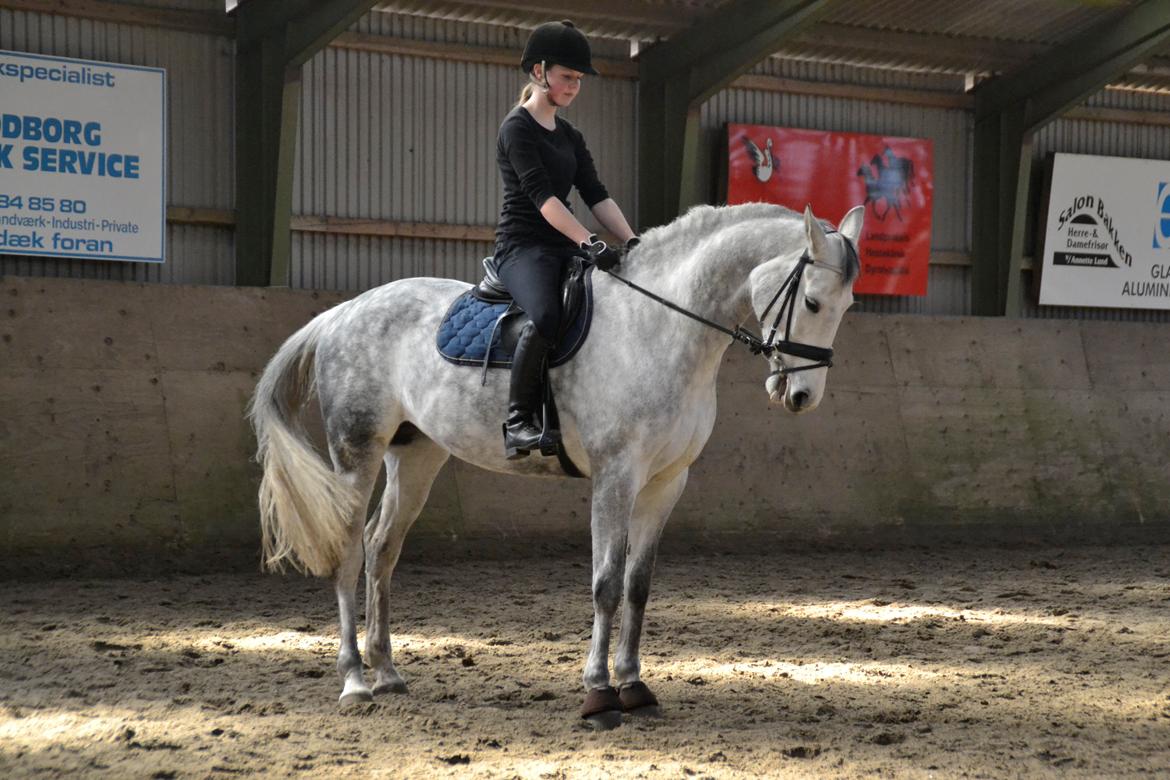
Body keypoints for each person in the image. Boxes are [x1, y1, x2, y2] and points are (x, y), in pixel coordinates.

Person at [494, 20, 639, 459]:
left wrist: (632, 240)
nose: (575, 86)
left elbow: (596, 195)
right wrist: (589, 242)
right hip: (523, 247)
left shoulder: (571, 136)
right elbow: (545, 200)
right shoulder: (516, 128)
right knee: (545, 315)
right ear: (539, 72)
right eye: (567, 77)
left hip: (565, 244)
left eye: (578, 79)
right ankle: (519, 421)